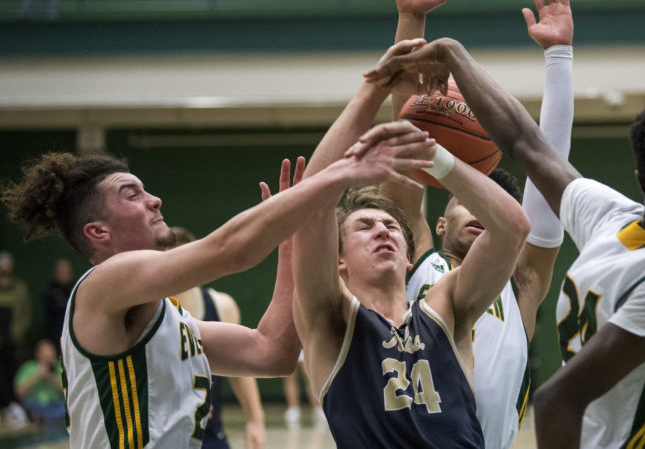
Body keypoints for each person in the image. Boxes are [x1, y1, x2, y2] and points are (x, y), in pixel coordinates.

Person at [365, 30, 645, 447]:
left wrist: (460, 55)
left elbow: (531, 145)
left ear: (641, 178)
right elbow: (559, 397)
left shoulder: (599, 228)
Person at [0, 141, 426, 447]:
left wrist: (291, 249)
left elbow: (271, 353)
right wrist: (336, 174)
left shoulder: (170, 320)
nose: (154, 199)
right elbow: (230, 250)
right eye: (132, 194)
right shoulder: (103, 286)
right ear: (98, 232)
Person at [383, 0, 574, 447]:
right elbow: (403, 140)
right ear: (438, 222)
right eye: (463, 199)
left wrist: (559, 58)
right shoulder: (418, 261)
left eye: (494, 206)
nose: (480, 210)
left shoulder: (522, 283)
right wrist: (411, 19)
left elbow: (549, 166)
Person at [291, 38, 531, 447]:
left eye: (391, 227)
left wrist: (436, 155)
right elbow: (312, 205)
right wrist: (375, 88)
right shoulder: (331, 319)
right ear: (339, 262)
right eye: (364, 226)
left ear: (408, 258)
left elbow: (512, 227)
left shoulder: (444, 309)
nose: (382, 229)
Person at [170, 225, 268, 449]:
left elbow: (240, 369)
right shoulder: (147, 311)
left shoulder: (220, 306)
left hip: (211, 436)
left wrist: (255, 419)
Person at [0, 250, 32, 428]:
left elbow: (25, 313)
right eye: (2, 263)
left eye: (7, 263)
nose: (5, 266)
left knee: (15, 372)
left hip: (16, 342)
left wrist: (16, 333)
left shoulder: (20, 287)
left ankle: (16, 406)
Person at [13, 338, 65, 424]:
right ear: (38, 354)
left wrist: (50, 377)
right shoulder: (28, 367)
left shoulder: (60, 367)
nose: (48, 355)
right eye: (45, 352)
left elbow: (68, 391)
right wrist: (37, 377)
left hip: (57, 404)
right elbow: (19, 392)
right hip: (36, 405)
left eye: (50, 351)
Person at [282, 355, 324, 427]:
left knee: (308, 374)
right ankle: (293, 409)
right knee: (289, 375)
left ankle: (317, 408)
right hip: (288, 346)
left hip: (304, 346)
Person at [41, 257, 75, 347]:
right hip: (54, 333)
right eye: (61, 272)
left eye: (67, 272)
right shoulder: (49, 290)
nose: (64, 275)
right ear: (56, 273)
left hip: (73, 333)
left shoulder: (77, 289)